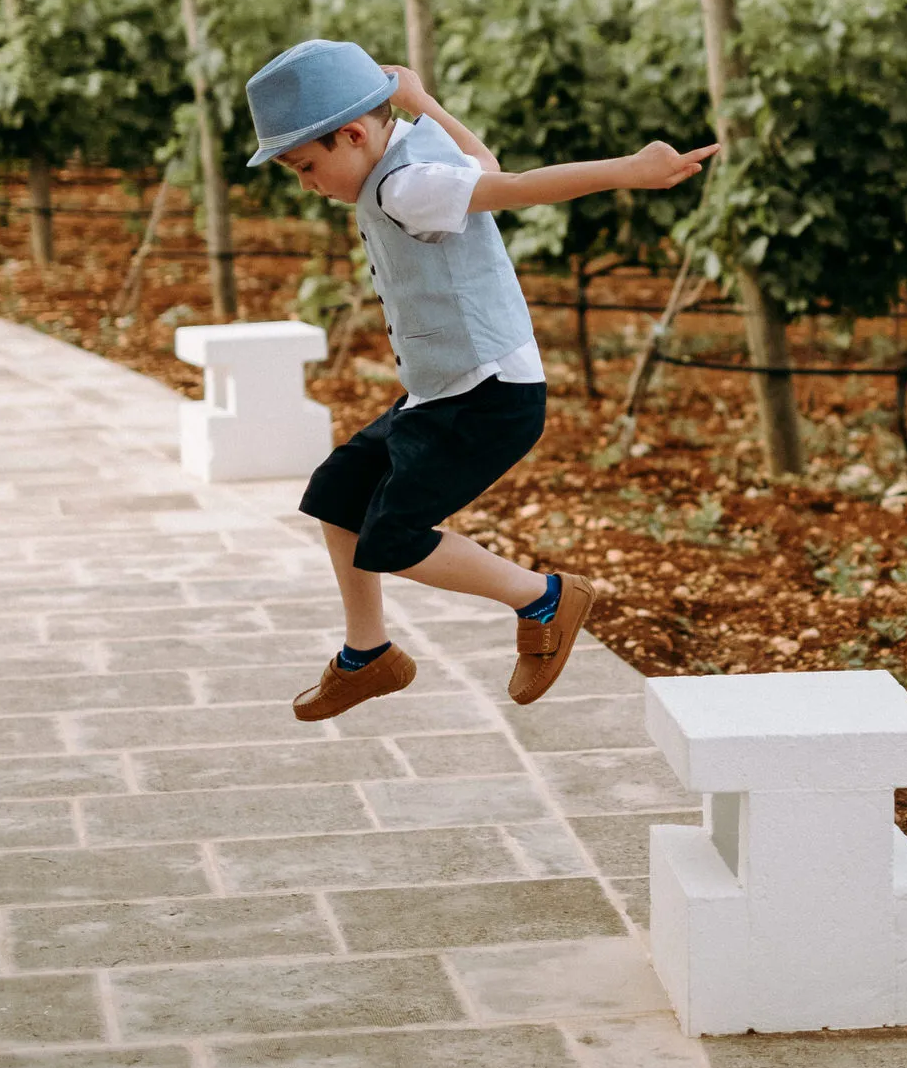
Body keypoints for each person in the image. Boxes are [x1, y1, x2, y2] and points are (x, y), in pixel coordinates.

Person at [244, 37, 717, 722]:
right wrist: (423, 102)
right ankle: (366, 654)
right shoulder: (410, 152)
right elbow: (485, 167)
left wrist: (630, 170)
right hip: (448, 389)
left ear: (352, 135)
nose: (308, 185)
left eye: (306, 167)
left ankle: (544, 597)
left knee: (394, 539)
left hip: (486, 397)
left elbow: (515, 188)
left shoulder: (408, 184)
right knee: (337, 491)